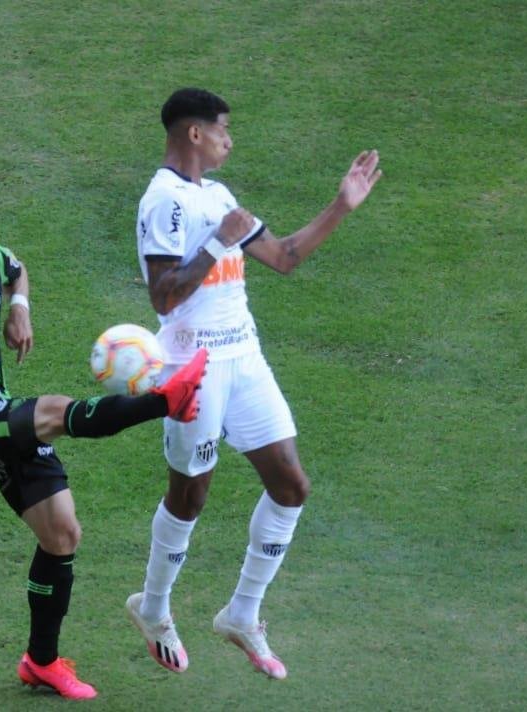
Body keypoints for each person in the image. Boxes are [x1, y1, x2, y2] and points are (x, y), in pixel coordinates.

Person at [0, 178, 208, 700]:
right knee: (54, 412)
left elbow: (18, 272)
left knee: (62, 535)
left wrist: (20, 308)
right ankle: (167, 400)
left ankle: (40, 663)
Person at [125, 88, 382, 680]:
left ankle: (242, 613)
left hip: (244, 357)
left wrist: (341, 206)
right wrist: (218, 241)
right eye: (222, 129)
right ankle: (153, 607)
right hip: (193, 367)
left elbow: (285, 256)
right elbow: (163, 297)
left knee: (291, 485)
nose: (229, 140)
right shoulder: (164, 201)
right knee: (191, 495)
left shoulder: (218, 195)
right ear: (194, 133)